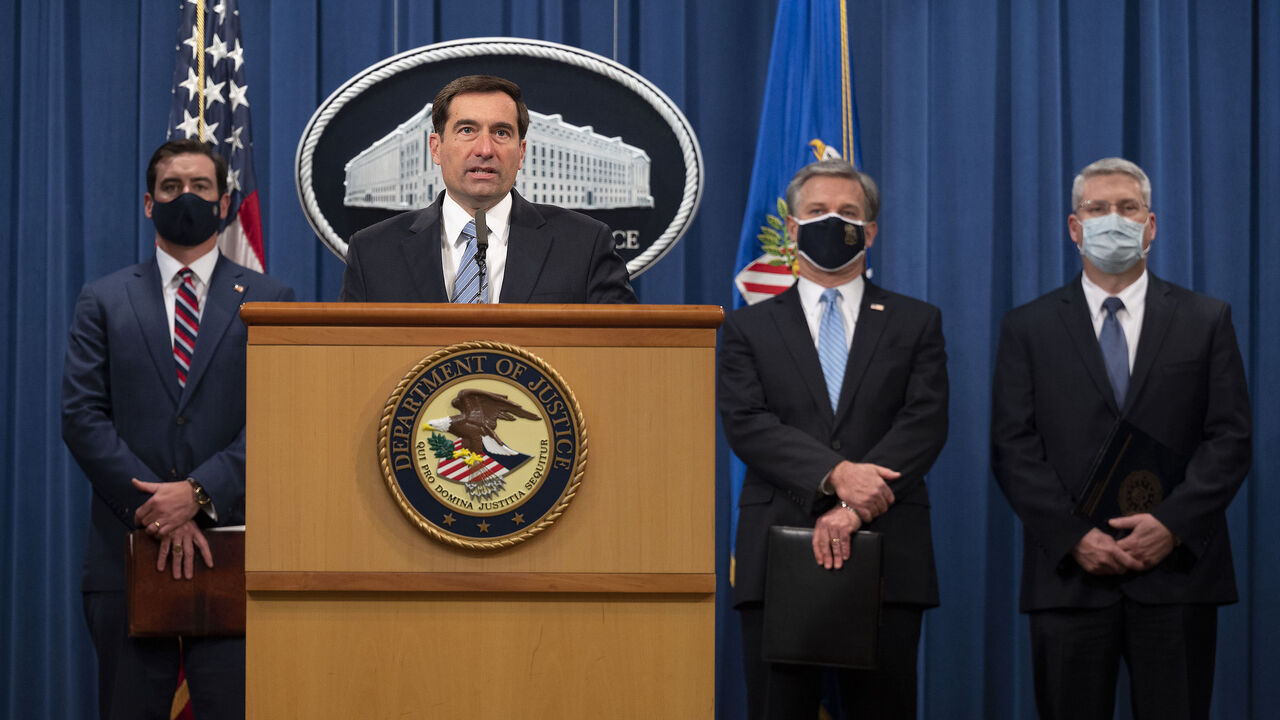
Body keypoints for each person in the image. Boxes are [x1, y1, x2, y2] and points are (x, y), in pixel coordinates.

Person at [991, 157, 1252, 720]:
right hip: (1069, 576)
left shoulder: (1206, 319)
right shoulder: (1027, 327)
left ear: (1151, 225)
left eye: (1127, 208)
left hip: (1177, 575)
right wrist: (1073, 535)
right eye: (1098, 208)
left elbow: (1230, 437)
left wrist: (1173, 525)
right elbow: (1012, 447)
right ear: (1074, 226)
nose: (1114, 219)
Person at [62, 138, 295, 719]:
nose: (184, 197)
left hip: (235, 556)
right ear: (148, 203)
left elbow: (281, 419)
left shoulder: (270, 299)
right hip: (127, 557)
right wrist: (155, 508)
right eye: (170, 188)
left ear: (225, 203)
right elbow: (82, 415)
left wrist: (196, 494)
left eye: (200, 187)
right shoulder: (104, 299)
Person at [718, 160, 949, 719]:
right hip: (778, 547)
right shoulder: (747, 326)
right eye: (818, 212)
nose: (832, 222)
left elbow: (925, 421)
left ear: (870, 232)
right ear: (793, 229)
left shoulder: (915, 321)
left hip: (888, 548)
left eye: (848, 214)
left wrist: (853, 506)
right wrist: (837, 478)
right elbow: (747, 423)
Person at [340, 74, 637, 304]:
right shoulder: (373, 252)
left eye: (501, 132)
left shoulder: (583, 244)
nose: (485, 149)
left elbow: (620, 354)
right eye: (467, 130)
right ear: (436, 148)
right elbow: (351, 360)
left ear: (521, 153)